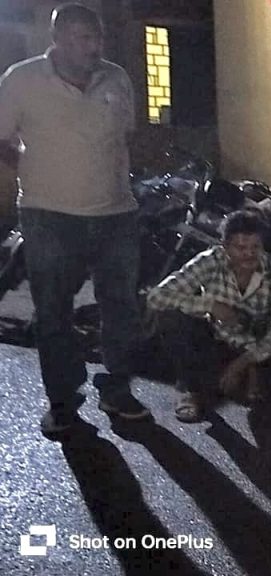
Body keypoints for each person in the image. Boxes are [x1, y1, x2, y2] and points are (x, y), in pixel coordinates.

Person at [0, 4, 150, 434]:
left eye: (97, 37)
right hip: (49, 217)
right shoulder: (22, 79)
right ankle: (63, 401)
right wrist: (31, 168)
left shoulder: (116, 78)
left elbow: (125, 135)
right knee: (54, 312)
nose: (95, 46)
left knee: (121, 307)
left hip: (116, 214)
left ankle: (116, 388)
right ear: (59, 40)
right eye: (85, 38)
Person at [147, 210, 271, 423]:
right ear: (225, 247)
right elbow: (157, 297)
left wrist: (244, 362)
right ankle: (192, 390)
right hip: (218, 336)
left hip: (258, 341)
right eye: (241, 248)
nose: (249, 254)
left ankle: (249, 378)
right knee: (171, 316)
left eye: (255, 247)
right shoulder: (210, 260)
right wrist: (210, 305)